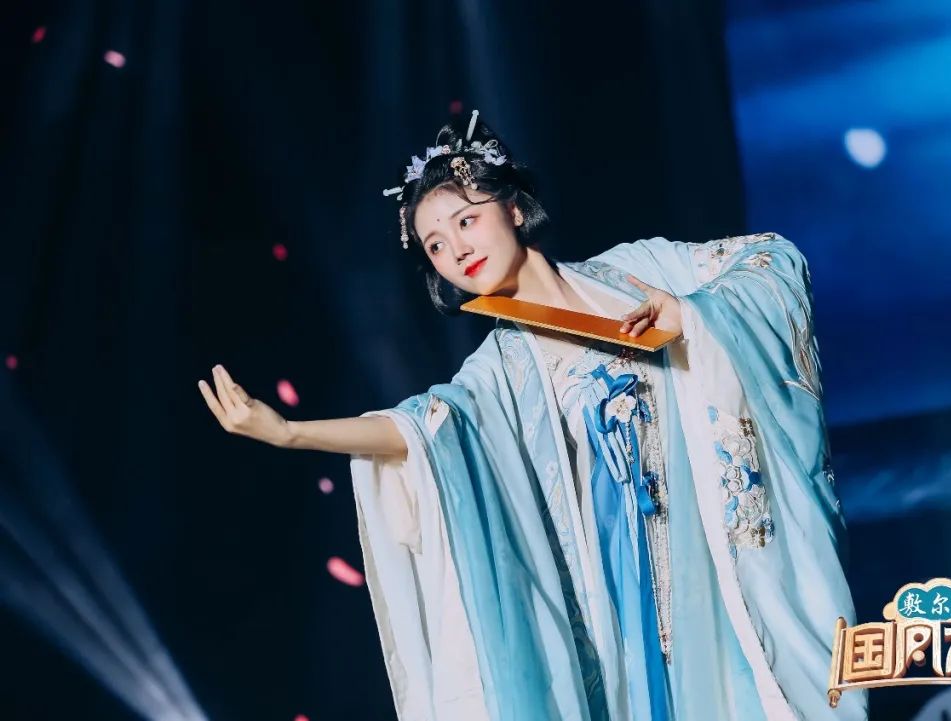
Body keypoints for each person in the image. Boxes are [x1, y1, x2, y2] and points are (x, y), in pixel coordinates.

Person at [198, 111, 868, 721]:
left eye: (465, 222)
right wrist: (291, 432)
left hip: (721, 552)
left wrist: (692, 314)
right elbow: (418, 432)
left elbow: (771, 261)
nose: (457, 251)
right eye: (435, 245)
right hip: (627, 596)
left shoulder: (634, 270)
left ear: (513, 208)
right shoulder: (498, 371)